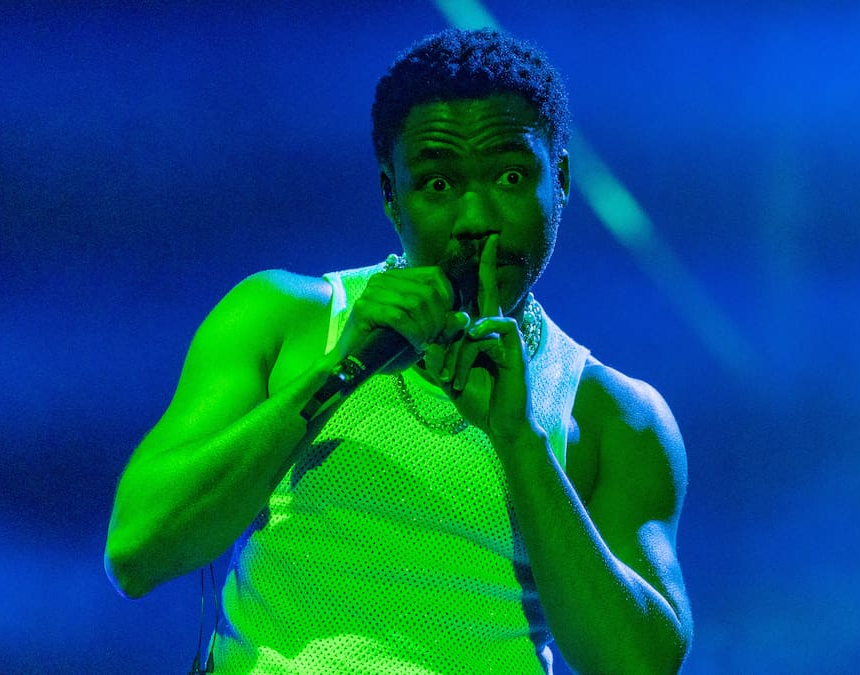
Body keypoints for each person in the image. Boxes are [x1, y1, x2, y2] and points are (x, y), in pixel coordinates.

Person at [105, 28, 692, 674]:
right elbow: (138, 551)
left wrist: (521, 439)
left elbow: (640, 663)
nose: (476, 219)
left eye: (509, 175)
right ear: (391, 194)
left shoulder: (614, 414)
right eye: (438, 184)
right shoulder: (285, 317)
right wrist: (344, 367)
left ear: (560, 180)